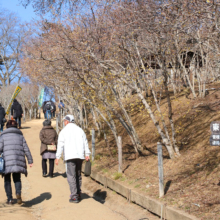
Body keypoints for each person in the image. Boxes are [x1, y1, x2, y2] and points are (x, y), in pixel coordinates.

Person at [55, 115, 90, 203]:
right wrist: (87, 153)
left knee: (71, 176)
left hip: (70, 156)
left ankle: (74, 196)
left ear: (67, 121)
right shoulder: (80, 130)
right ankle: (78, 193)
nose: (64, 123)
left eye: (64, 121)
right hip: (80, 156)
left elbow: (60, 145)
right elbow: (85, 142)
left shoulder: (63, 131)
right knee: (78, 174)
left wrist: (57, 157)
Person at [0, 120, 33, 205]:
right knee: (17, 179)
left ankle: (10, 199)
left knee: (7, 180)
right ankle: (18, 193)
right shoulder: (20, 136)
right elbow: (26, 148)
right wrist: (30, 160)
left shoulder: (3, 136)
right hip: (18, 160)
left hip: (7, 162)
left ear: (7, 126)